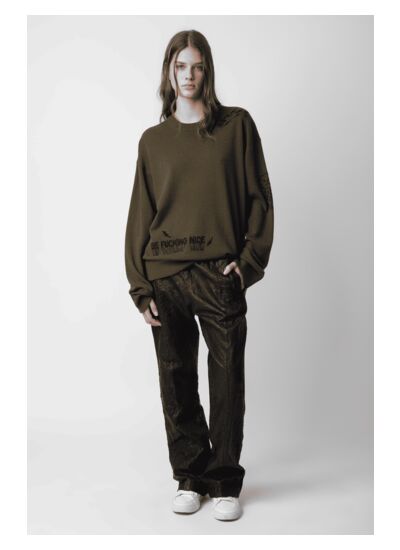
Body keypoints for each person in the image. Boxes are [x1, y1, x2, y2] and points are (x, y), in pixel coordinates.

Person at [124, 29, 274, 521]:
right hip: (164, 275)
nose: (188, 75)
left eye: (197, 66)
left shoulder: (236, 126)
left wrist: (247, 263)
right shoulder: (153, 141)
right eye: (180, 66)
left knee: (227, 379)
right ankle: (190, 476)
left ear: (207, 70)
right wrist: (140, 287)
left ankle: (224, 481)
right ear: (169, 71)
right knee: (176, 380)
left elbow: (259, 198)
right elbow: (140, 215)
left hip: (218, 273)